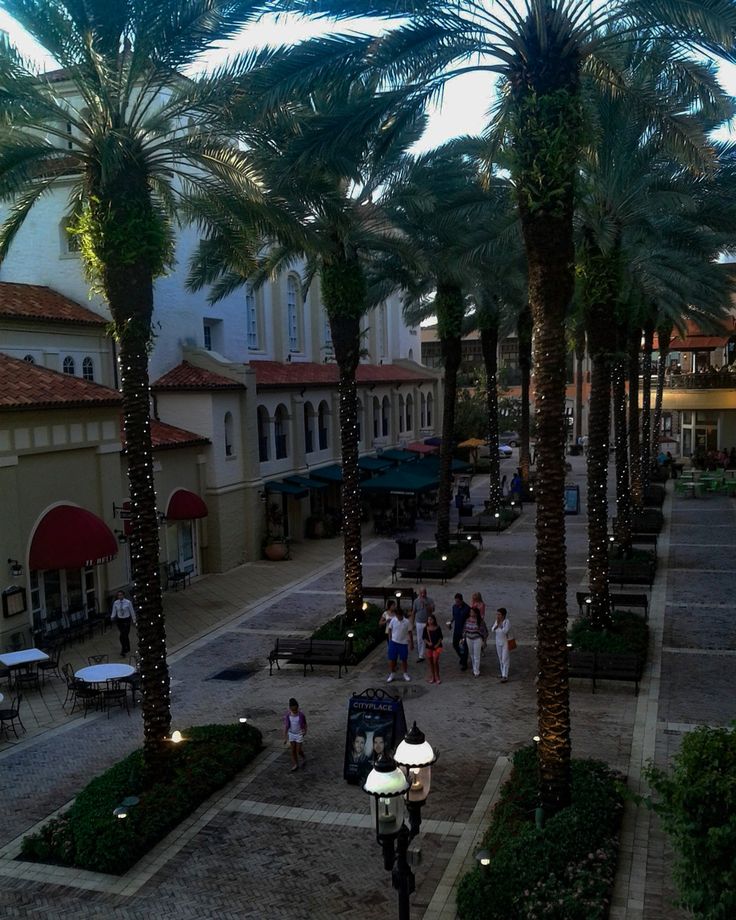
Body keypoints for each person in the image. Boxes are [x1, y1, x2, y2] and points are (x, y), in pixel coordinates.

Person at [386, 605, 413, 682]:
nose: (398, 617)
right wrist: (390, 639)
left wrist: (411, 643)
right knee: (392, 659)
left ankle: (405, 673)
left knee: (404, 659)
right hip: (394, 642)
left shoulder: (407, 622)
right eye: (397, 616)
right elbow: (390, 629)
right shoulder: (393, 620)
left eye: (399, 616)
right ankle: (392, 673)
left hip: (403, 643)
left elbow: (410, 632)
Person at [463, 606, 489, 677]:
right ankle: (475, 668)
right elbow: (465, 630)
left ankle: (476, 671)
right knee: (471, 654)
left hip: (477, 639)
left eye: (472, 612)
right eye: (470, 612)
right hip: (469, 638)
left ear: (476, 613)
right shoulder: (467, 620)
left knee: (476, 655)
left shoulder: (480, 621)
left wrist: (484, 641)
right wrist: (463, 638)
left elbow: (485, 632)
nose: (471, 613)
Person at [283, 697, 307, 772]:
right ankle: (295, 764)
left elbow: (305, 724)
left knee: (299, 750)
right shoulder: (288, 716)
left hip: (299, 734)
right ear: (290, 708)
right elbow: (286, 726)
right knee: (293, 750)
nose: (295, 711)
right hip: (291, 734)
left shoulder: (301, 715)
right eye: (293, 710)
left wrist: (305, 731)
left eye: (296, 709)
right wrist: (285, 737)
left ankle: (303, 757)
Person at [411, 587, 435, 662]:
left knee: (429, 638)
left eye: (424, 592)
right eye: (421, 593)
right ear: (419, 593)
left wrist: (426, 604)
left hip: (428, 622)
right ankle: (421, 655)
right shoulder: (416, 601)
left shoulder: (430, 600)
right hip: (419, 622)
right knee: (420, 638)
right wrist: (412, 623)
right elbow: (413, 612)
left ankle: (430, 652)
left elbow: (432, 610)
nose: (423, 594)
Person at [110, 590, 136, 656]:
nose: (120, 596)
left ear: (123, 595)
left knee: (123, 635)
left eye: (121, 595)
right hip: (120, 620)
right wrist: (112, 617)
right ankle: (127, 647)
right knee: (124, 634)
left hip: (126, 620)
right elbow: (114, 611)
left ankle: (123, 650)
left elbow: (132, 611)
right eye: (119, 595)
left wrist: (134, 619)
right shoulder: (116, 603)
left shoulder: (128, 602)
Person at [448, 593, 470, 671]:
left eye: (458, 601)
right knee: (455, 644)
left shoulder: (467, 608)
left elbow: (469, 619)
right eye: (456, 601)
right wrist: (450, 622)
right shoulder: (454, 607)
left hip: (463, 631)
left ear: (461, 600)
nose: (456, 603)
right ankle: (462, 657)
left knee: (463, 647)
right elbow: (454, 616)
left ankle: (464, 663)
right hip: (456, 630)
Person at [492, 607, 512, 682]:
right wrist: (497, 624)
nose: (497, 616)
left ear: (503, 615)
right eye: (497, 614)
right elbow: (492, 629)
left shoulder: (507, 622)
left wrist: (500, 626)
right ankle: (502, 672)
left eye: (499, 614)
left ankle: (505, 675)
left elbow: (505, 631)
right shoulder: (496, 621)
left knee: (505, 658)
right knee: (500, 658)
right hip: (498, 641)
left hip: (505, 642)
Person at [422, 613, 444, 684]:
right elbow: (424, 637)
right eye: (428, 619)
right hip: (429, 647)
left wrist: (437, 644)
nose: (429, 621)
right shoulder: (426, 628)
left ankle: (437, 676)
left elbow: (441, 637)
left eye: (431, 619)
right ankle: (433, 676)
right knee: (431, 662)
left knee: (435, 661)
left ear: (434, 620)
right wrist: (428, 643)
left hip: (437, 647)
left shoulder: (438, 628)